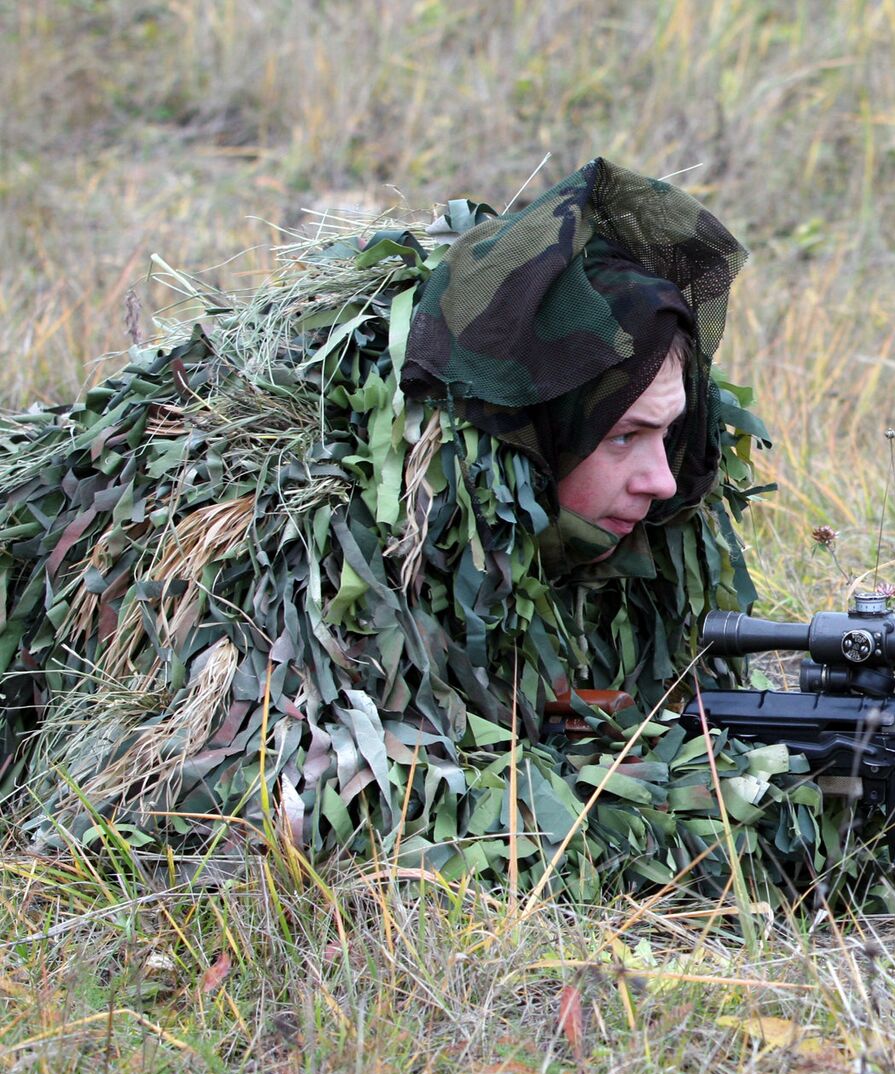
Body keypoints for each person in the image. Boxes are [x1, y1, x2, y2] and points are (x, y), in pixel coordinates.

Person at [0, 159, 831, 900]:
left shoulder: (597, 552)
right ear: (532, 433)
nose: (659, 479)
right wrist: (672, 820)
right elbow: (250, 798)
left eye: (667, 434)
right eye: (623, 437)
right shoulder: (325, 540)